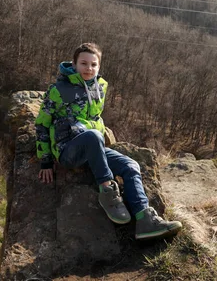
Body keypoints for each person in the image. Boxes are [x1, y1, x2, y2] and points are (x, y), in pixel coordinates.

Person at [35, 42, 182, 240]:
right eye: (84, 63)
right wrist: (45, 161)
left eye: (94, 65)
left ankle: (145, 220)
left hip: (94, 149)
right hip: (68, 150)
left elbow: (95, 119)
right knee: (93, 136)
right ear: (74, 64)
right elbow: (42, 124)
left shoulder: (100, 87)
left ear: (99, 66)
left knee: (131, 165)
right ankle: (107, 191)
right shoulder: (58, 90)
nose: (89, 68)